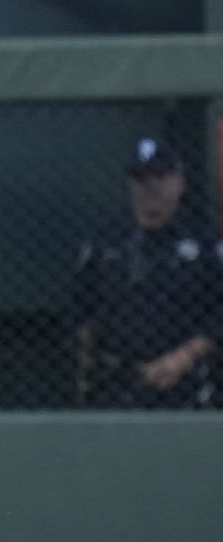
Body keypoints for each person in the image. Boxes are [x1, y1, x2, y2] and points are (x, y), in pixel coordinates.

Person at [73, 136, 223, 409]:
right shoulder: (105, 242)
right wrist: (85, 377)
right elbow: (82, 310)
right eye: (141, 179)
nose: (150, 187)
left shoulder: (204, 245)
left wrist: (184, 357)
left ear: (179, 184)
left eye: (160, 177)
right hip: (116, 386)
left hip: (184, 387)